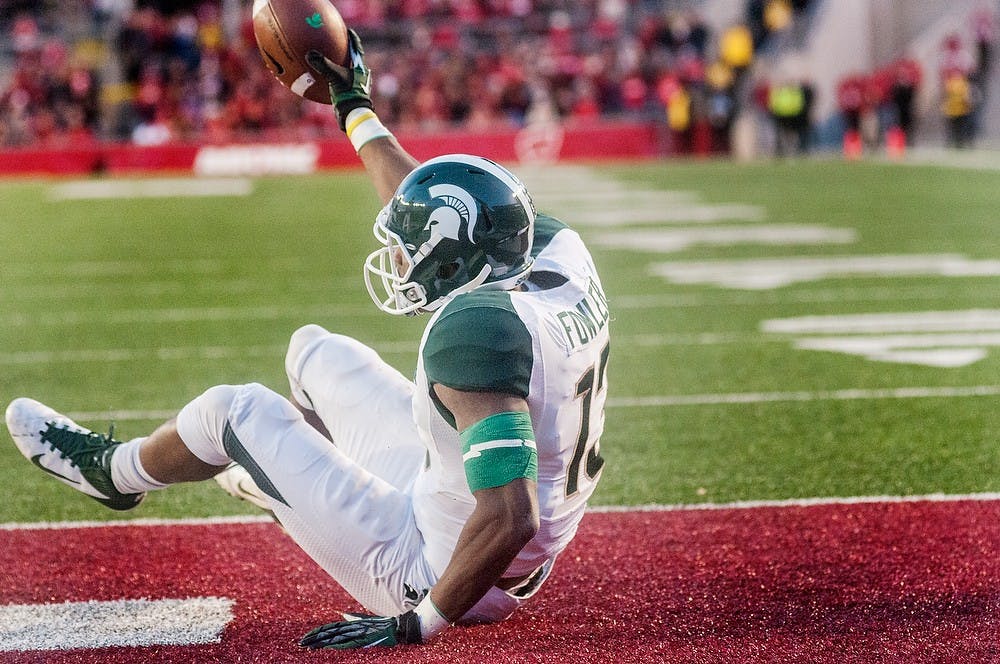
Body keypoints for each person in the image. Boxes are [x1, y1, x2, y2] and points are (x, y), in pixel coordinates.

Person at [5, 31, 611, 650]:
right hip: (462, 511)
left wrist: (418, 622)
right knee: (316, 351)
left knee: (232, 411)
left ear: (455, 262)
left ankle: (115, 474)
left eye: (410, 253)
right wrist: (355, 107)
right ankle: (295, 492)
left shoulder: (477, 331)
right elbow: (428, 204)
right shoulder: (551, 250)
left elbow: (510, 516)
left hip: (449, 568)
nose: (399, 261)